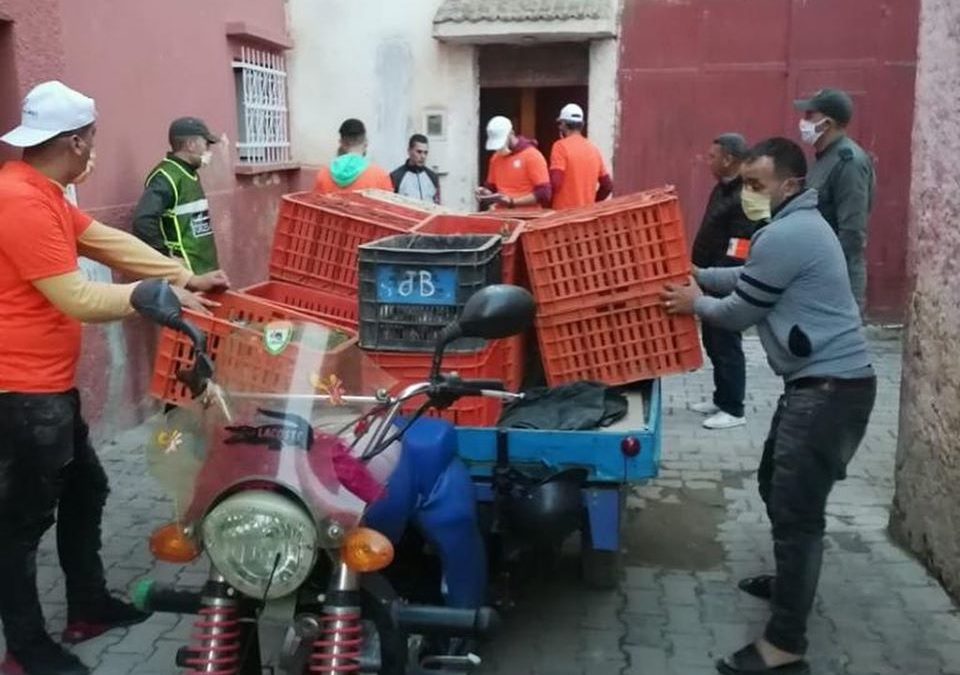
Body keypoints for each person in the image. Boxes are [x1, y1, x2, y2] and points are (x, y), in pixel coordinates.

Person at [0, 81, 228, 675]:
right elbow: (76, 295)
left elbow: (102, 239)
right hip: (19, 392)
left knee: (88, 488)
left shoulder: (42, 190)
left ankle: (89, 606)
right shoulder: (20, 200)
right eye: (92, 140)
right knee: (20, 525)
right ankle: (25, 649)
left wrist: (181, 275)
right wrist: (153, 295)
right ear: (76, 142)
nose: (92, 150)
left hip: (49, 386)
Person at [662, 137, 876, 675]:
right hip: (820, 386)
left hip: (829, 390)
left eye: (757, 186)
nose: (748, 195)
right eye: (746, 185)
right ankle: (791, 584)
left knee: (797, 514)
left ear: (790, 185)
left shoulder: (788, 232)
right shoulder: (789, 231)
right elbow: (750, 276)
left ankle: (785, 646)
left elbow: (738, 311)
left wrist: (694, 302)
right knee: (771, 484)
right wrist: (699, 276)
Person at [689, 134, 758, 430]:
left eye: (712, 156)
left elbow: (742, 243)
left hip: (726, 276)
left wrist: (719, 275)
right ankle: (720, 397)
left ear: (729, 158)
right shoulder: (723, 189)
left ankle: (734, 407)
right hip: (709, 273)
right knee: (713, 340)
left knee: (727, 341)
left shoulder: (747, 194)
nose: (708, 161)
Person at [794, 88, 875, 316]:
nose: (803, 121)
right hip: (817, 273)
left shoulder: (849, 162)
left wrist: (822, 269)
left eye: (810, 116)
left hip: (836, 279)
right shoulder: (825, 157)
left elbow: (852, 231)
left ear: (827, 123)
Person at [132, 117, 221, 275]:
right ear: (190, 145)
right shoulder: (165, 177)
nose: (208, 151)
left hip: (205, 271)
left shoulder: (189, 173)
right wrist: (166, 257)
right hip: (186, 277)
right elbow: (143, 221)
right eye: (206, 145)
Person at [475, 116, 551, 211]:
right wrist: (485, 193)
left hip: (528, 216)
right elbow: (491, 187)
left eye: (502, 143)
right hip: (501, 215)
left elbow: (544, 193)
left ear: (511, 134)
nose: (499, 148)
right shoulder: (495, 158)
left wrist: (512, 202)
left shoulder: (532, 155)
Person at [549, 103, 613, 209]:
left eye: (560, 124)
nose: (559, 127)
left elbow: (556, 182)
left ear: (564, 124)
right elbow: (607, 186)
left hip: (562, 216)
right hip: (586, 215)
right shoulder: (593, 149)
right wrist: (593, 201)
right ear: (582, 125)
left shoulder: (560, 147)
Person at [314, 118, 393, 194]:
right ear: (366, 143)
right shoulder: (380, 176)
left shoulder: (324, 174)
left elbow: (314, 204)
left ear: (341, 143)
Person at [390, 134, 441, 204]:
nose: (423, 156)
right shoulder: (396, 177)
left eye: (425, 153)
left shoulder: (433, 177)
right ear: (409, 151)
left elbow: (438, 204)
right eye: (419, 152)